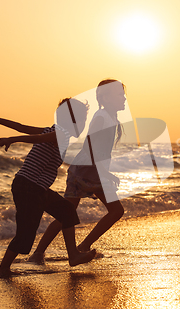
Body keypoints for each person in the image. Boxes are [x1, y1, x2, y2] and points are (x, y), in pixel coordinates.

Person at [0, 98, 96, 277]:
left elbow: (20, 126)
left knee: (67, 210)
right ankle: (3, 269)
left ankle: (73, 255)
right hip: (28, 186)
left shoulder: (55, 131)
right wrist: (12, 139)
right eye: (82, 119)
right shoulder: (61, 133)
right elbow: (36, 137)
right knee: (26, 233)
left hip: (37, 188)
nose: (83, 123)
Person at [28, 79, 126, 264]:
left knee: (70, 212)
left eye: (123, 94)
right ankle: (78, 248)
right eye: (119, 94)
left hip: (89, 171)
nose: (124, 98)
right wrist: (106, 174)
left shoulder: (110, 117)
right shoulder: (101, 117)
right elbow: (92, 146)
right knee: (114, 210)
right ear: (104, 97)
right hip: (85, 172)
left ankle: (40, 253)